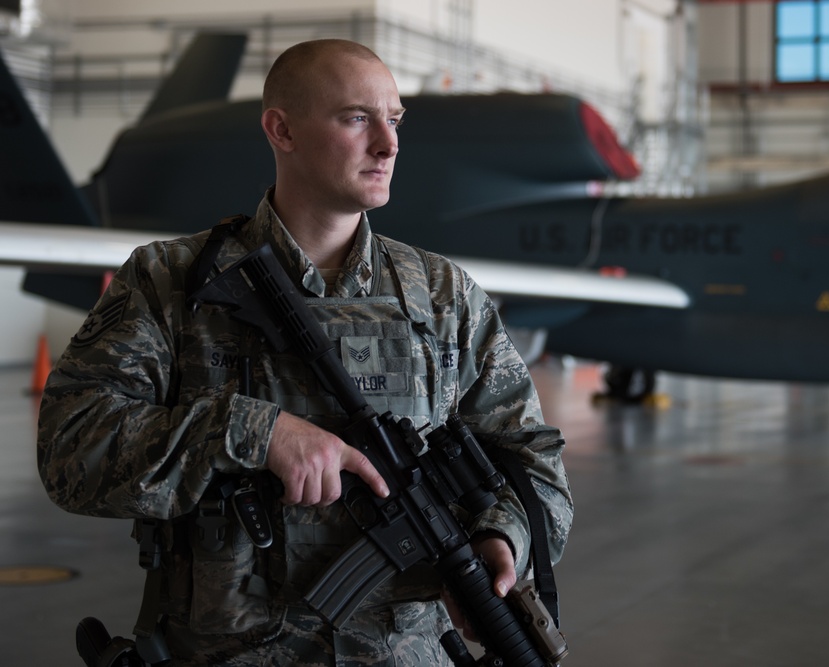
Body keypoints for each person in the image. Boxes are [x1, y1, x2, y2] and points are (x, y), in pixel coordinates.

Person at [37, 39, 572, 666]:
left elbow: (534, 463)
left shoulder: (444, 297)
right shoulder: (170, 282)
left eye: (394, 120)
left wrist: (501, 540)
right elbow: (70, 450)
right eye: (357, 118)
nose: (388, 144)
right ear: (281, 129)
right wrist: (251, 432)